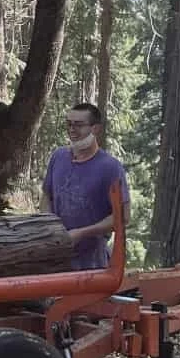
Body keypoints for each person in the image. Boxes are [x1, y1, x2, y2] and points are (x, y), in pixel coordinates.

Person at [42, 101, 128, 270]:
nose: (72, 130)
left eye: (79, 125)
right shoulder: (58, 157)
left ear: (95, 129)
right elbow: (46, 195)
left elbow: (123, 217)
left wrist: (81, 233)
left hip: (93, 264)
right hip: (56, 258)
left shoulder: (110, 167)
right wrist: (49, 225)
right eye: (69, 124)